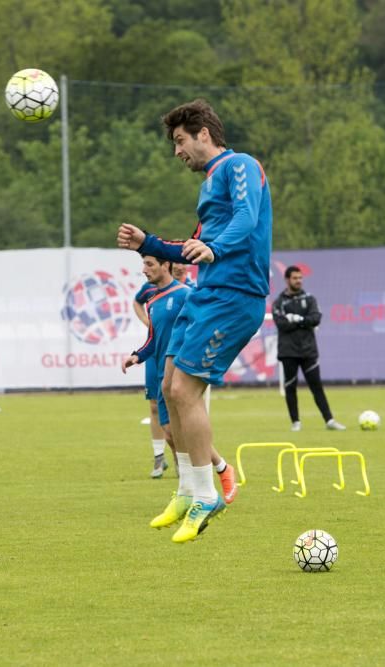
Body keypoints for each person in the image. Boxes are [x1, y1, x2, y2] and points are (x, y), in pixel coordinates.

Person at [117, 99, 272, 543]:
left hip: (234, 295)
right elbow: (193, 246)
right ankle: (187, 489)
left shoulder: (240, 164)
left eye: (180, 140)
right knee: (168, 390)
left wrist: (216, 249)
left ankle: (207, 493)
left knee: (185, 390)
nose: (177, 151)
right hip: (207, 295)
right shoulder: (209, 187)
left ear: (204, 133)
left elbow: (247, 217)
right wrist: (148, 242)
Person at [122, 255, 238, 499]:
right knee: (170, 434)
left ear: (167, 266)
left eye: (149, 264)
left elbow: (204, 326)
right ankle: (207, 476)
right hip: (159, 370)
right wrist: (138, 355)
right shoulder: (152, 299)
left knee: (184, 432)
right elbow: (155, 338)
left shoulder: (186, 294)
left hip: (182, 372)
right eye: (143, 264)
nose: (144, 270)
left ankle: (215, 474)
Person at [272, 266, 346, 432]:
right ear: (287, 280)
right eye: (295, 278)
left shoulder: (310, 299)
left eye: (300, 278)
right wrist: (303, 322)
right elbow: (281, 324)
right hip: (288, 351)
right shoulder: (279, 302)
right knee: (290, 387)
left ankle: (329, 420)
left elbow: (316, 318)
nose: (298, 281)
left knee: (316, 386)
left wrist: (296, 319)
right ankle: (295, 422)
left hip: (308, 350)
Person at [132, 280, 169, 477]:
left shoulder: (187, 289)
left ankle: (183, 458)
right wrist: (148, 323)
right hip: (154, 353)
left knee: (179, 406)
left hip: (176, 353)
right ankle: (159, 457)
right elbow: (136, 301)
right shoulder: (150, 288)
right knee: (154, 405)